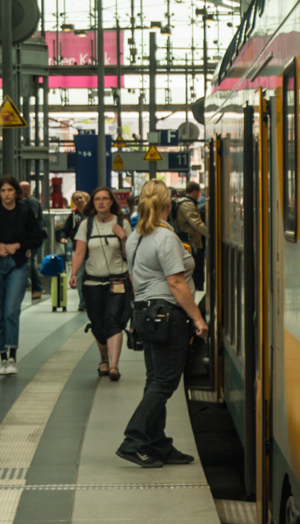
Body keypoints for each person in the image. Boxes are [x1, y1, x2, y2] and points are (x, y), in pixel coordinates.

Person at [118, 183, 204, 468]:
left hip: (146, 313)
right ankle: (133, 440)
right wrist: (197, 317)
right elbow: (176, 282)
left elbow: (135, 279)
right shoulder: (165, 237)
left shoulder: (135, 237)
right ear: (169, 205)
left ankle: (157, 444)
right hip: (167, 314)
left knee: (154, 379)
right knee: (165, 381)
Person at [0, 175, 46, 376]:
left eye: (10, 190)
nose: (7, 194)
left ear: (16, 192)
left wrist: (18, 245)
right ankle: (2, 356)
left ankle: (12, 356)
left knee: (11, 310)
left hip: (18, 264)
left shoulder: (25, 211)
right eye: (3, 191)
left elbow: (37, 237)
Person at [70, 187, 131, 380]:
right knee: (97, 323)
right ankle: (103, 359)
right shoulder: (86, 225)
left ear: (112, 201)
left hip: (118, 279)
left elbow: (129, 256)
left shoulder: (122, 223)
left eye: (105, 199)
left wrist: (123, 238)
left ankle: (114, 366)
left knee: (114, 320)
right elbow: (80, 252)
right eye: (97, 199)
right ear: (93, 203)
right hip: (92, 282)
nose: (101, 202)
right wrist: (73, 273)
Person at [50, 191, 88, 312]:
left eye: (80, 198)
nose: (79, 200)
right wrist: (63, 237)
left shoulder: (92, 213)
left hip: (94, 249)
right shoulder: (73, 215)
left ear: (85, 198)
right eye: (76, 199)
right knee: (80, 276)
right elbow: (65, 229)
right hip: (79, 249)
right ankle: (83, 303)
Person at [173, 181, 208, 291]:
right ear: (194, 191)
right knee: (196, 272)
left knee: (197, 271)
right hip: (191, 244)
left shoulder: (188, 203)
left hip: (193, 242)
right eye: (198, 192)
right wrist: (210, 233)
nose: (199, 195)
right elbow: (196, 223)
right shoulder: (187, 204)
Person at [19, 180, 46, 301]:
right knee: (29, 260)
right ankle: (35, 287)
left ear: (27, 189)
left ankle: (37, 287)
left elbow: (32, 218)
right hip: (30, 236)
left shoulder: (32, 202)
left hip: (35, 236)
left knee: (29, 261)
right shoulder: (24, 201)